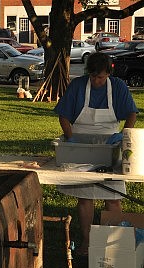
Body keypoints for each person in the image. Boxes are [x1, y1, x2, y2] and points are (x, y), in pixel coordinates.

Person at [54, 52, 138, 256]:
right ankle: (87, 241)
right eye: (93, 77)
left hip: (110, 146)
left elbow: (131, 114)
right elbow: (64, 115)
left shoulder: (117, 86)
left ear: (109, 73)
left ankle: (114, 245)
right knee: (85, 198)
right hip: (81, 147)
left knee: (113, 197)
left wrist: (122, 134)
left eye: (100, 77)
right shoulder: (78, 86)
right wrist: (70, 138)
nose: (97, 81)